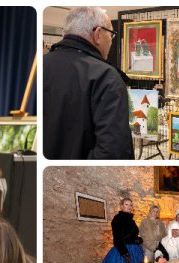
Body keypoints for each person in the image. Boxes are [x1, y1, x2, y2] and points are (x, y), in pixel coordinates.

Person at [43, 6, 133, 159]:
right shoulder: (106, 77)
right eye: (111, 35)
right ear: (98, 34)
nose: (111, 42)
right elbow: (113, 152)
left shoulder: (41, 65)